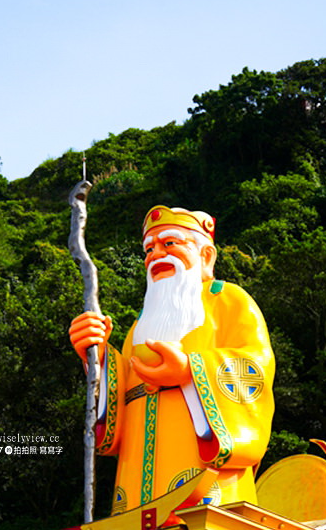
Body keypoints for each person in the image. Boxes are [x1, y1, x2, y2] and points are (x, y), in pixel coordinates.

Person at [69, 206, 275, 513]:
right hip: (137, 480)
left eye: (170, 244)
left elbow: (256, 367)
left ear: (206, 256)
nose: (156, 255)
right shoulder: (140, 326)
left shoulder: (229, 300)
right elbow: (114, 417)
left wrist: (191, 371)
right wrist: (97, 356)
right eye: (149, 249)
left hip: (208, 485)